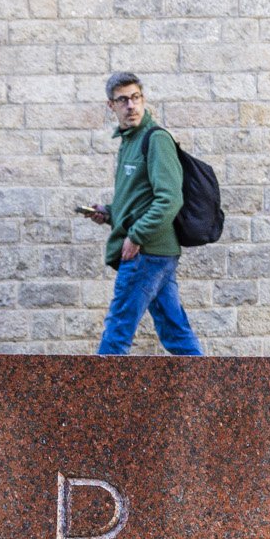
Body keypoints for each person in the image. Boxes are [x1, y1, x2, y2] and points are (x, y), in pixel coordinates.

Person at [78, 70, 204, 356]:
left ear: (143, 99)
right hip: (155, 253)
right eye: (122, 100)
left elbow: (169, 199)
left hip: (145, 252)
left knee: (117, 332)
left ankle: (99, 398)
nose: (131, 106)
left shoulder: (155, 139)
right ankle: (210, 396)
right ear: (111, 105)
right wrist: (108, 213)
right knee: (176, 334)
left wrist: (135, 236)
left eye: (135, 98)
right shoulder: (129, 142)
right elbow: (140, 202)